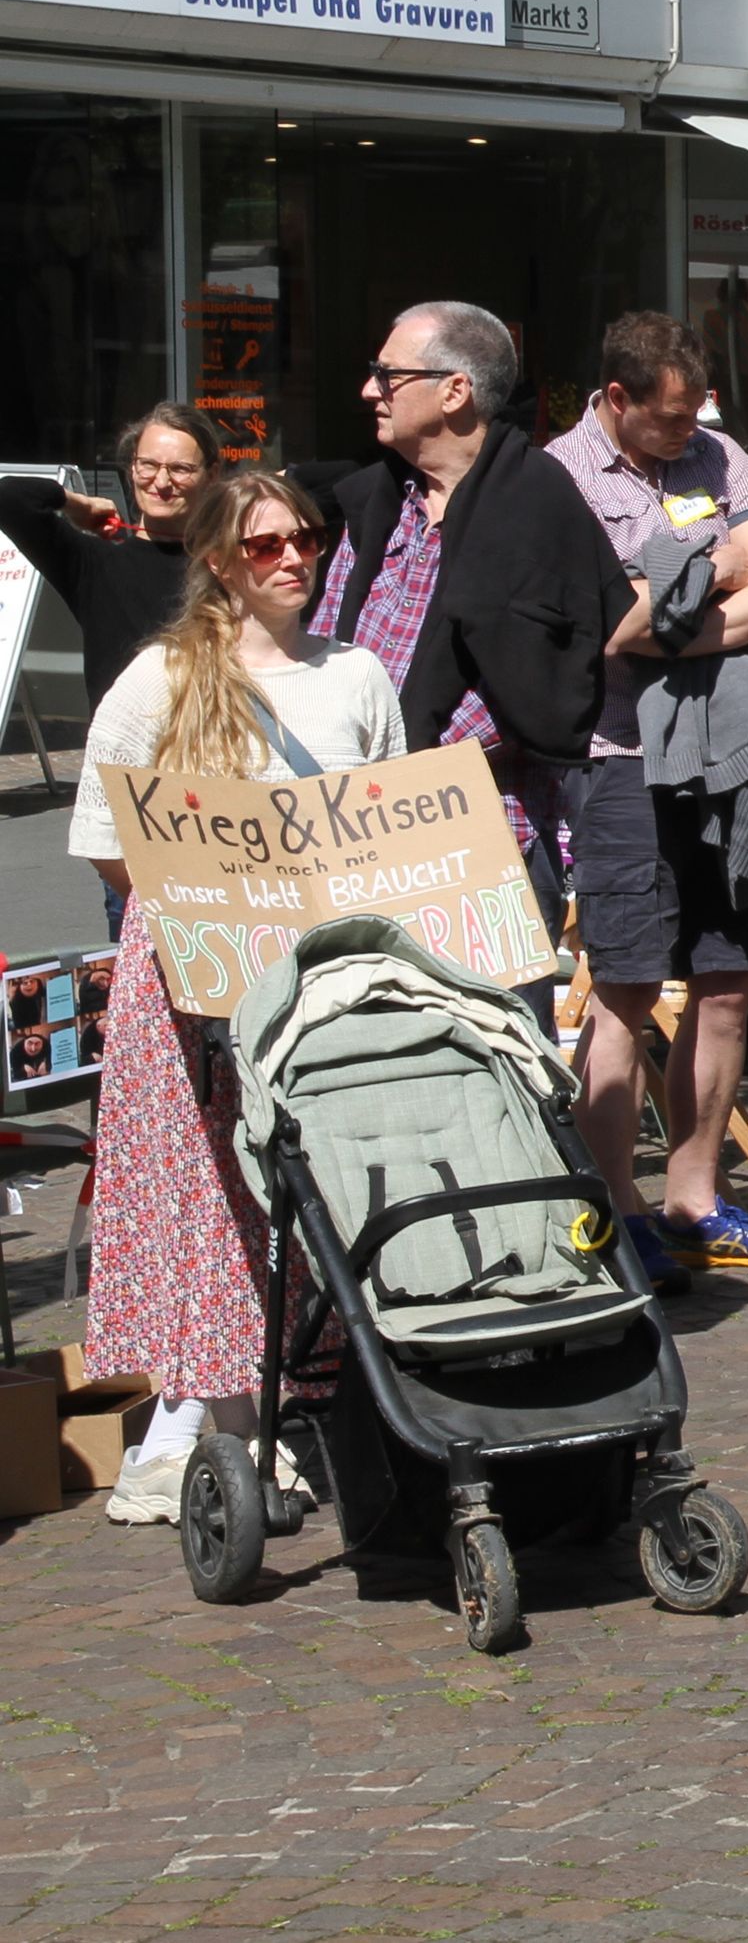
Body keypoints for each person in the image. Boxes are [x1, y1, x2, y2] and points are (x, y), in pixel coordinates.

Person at [73, 471, 407, 1523]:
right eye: (266, 546)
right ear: (219, 560)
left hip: (327, 984)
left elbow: (395, 828)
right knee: (216, 1208)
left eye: (305, 538)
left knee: (322, 1198)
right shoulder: (160, 680)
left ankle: (325, 1411)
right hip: (195, 993)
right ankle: (232, 1430)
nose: (295, 558)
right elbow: (108, 847)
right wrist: (220, 906)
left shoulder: (356, 674)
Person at [547, 312, 748, 1286]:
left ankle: (694, 1198)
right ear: (615, 398)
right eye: (663, 417)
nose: (682, 433)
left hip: (735, 751)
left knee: (731, 977)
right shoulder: (560, 476)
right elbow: (612, 624)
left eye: (690, 414)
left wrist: (682, 611)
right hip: (621, 757)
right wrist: (714, 575)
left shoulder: (720, 453)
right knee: (621, 989)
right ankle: (617, 1213)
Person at [311, 308, 625, 1001]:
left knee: (498, 1075)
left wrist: (395, 775)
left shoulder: (536, 503)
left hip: (479, 843)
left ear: (454, 391)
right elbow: (323, 651)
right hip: (348, 840)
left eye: (387, 375)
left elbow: (542, 680)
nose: (371, 391)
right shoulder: (375, 503)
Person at [1, 406, 218, 743]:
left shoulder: (229, 564)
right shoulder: (95, 564)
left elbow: (322, 486)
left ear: (212, 475)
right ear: (132, 467)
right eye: (148, 464)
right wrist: (78, 504)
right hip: (121, 763)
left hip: (209, 753)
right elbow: (9, 498)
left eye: (180, 468)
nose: (161, 482)